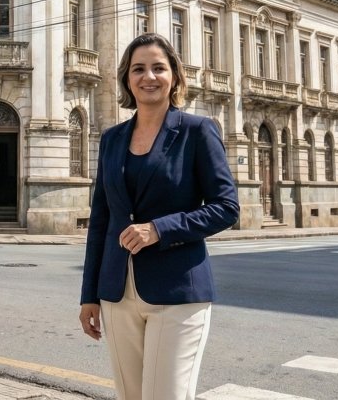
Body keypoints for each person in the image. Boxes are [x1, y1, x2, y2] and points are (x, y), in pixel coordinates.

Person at [79, 33, 239, 400]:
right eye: (138, 69)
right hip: (117, 293)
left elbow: (226, 207)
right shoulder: (111, 139)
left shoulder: (197, 131)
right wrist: (89, 295)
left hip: (178, 292)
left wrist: (159, 229)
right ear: (127, 78)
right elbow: (101, 220)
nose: (148, 76)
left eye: (158, 68)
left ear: (175, 76)